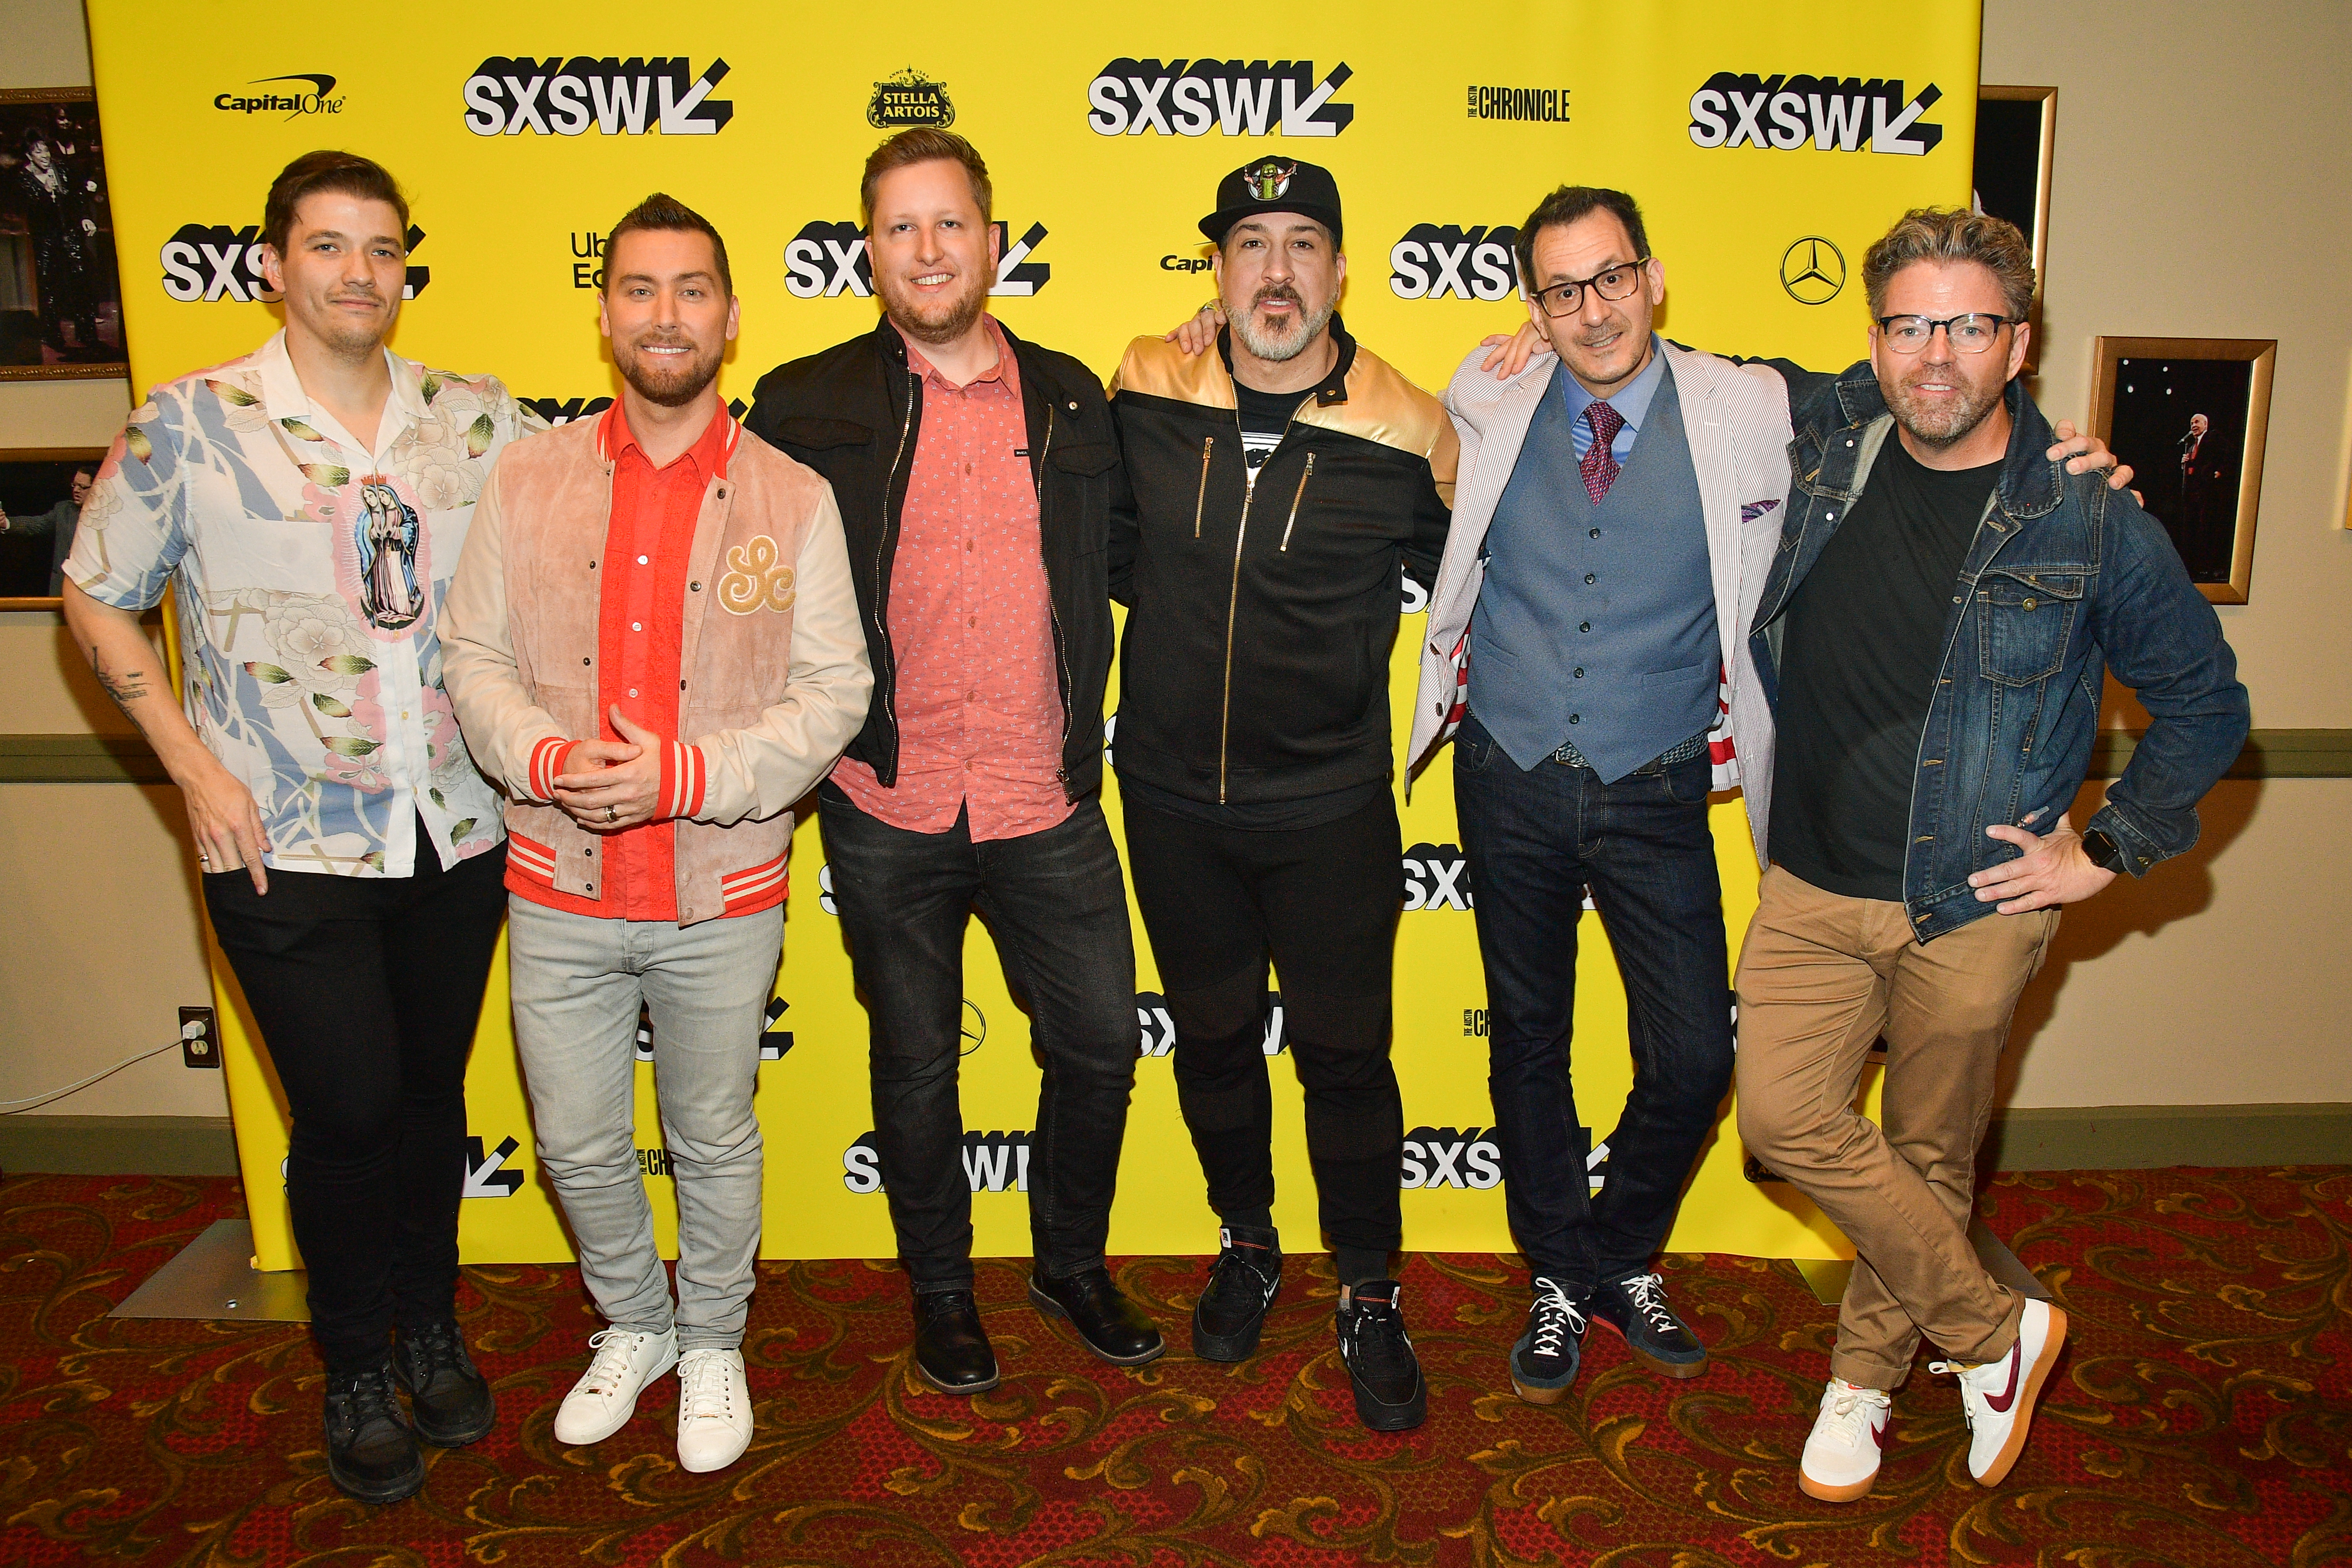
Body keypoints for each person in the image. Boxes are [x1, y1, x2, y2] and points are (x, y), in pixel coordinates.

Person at [1416, 187, 2133, 1411]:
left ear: (1652, 277)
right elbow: (1383, 418)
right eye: (1560, 289)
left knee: (1697, 1057)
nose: (1590, 311)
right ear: (1533, 303)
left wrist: (2061, 455)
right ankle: (1559, 1274)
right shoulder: (1486, 391)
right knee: (1527, 1042)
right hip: (1508, 773)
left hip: (1656, 785)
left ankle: (1620, 1251)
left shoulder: (1746, 403)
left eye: (1610, 278)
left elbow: (1923, 385)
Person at [1734, 208, 2249, 1503]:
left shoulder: (2088, 515)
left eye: (1970, 325)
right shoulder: (1830, 450)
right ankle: (1991, 1331)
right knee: (1781, 1119)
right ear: (1876, 341)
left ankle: (1862, 1379)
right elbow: (1675, 372)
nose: (1937, 356)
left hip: (1975, 892)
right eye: (1911, 324)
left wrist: (2109, 851)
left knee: (1928, 1151)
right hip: (1808, 878)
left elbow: (2206, 703)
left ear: (2020, 343)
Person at [60, 151, 536, 1504]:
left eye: (382, 249)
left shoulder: (477, 420)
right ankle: (354, 1364)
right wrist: (185, 764)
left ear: (405, 268)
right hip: (279, 841)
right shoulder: (190, 425)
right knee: (343, 1112)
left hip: (453, 830)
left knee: (430, 1099)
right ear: (272, 263)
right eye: (327, 247)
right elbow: (97, 594)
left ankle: (430, 1325)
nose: (356, 274)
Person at [443, 192, 870, 1475]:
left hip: (718, 882)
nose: (665, 313)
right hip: (558, 876)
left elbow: (835, 691)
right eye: (639, 288)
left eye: (691, 290)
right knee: (573, 1136)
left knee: (714, 1133)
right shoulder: (526, 474)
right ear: (606, 314)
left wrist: (688, 773)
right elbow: (472, 656)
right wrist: (552, 759)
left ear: (730, 320)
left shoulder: (794, 497)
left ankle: (717, 1337)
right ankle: (636, 1322)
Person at [740, 130, 1158, 1395]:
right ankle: (940, 1291)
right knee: (914, 1062)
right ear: (868, 248)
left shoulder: (1078, 396)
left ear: (993, 236)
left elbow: (1137, 562)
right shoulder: (803, 400)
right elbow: (748, 600)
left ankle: (1068, 1261)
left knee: (1098, 1045)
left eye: (950, 223)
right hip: (885, 798)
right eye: (900, 227)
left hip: (1046, 795)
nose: (928, 250)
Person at [1116, 158, 1454, 1432]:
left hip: (1327, 812)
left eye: (1302, 242)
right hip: (1169, 800)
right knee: (1210, 1042)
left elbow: (1497, 570)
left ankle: (1369, 1286)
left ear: (1340, 268)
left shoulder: (1412, 424)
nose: (1275, 271)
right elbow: (1096, 552)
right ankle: (1250, 1239)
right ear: (1219, 268)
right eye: (1250, 243)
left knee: (1347, 1059)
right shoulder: (1147, 384)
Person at [0, 464, 92, 596]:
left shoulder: (110, 517)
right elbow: (37, 525)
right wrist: (6, 523)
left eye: (82, 487)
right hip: (62, 590)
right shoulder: (64, 511)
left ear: (96, 489)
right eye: (74, 485)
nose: (76, 490)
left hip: (94, 591)